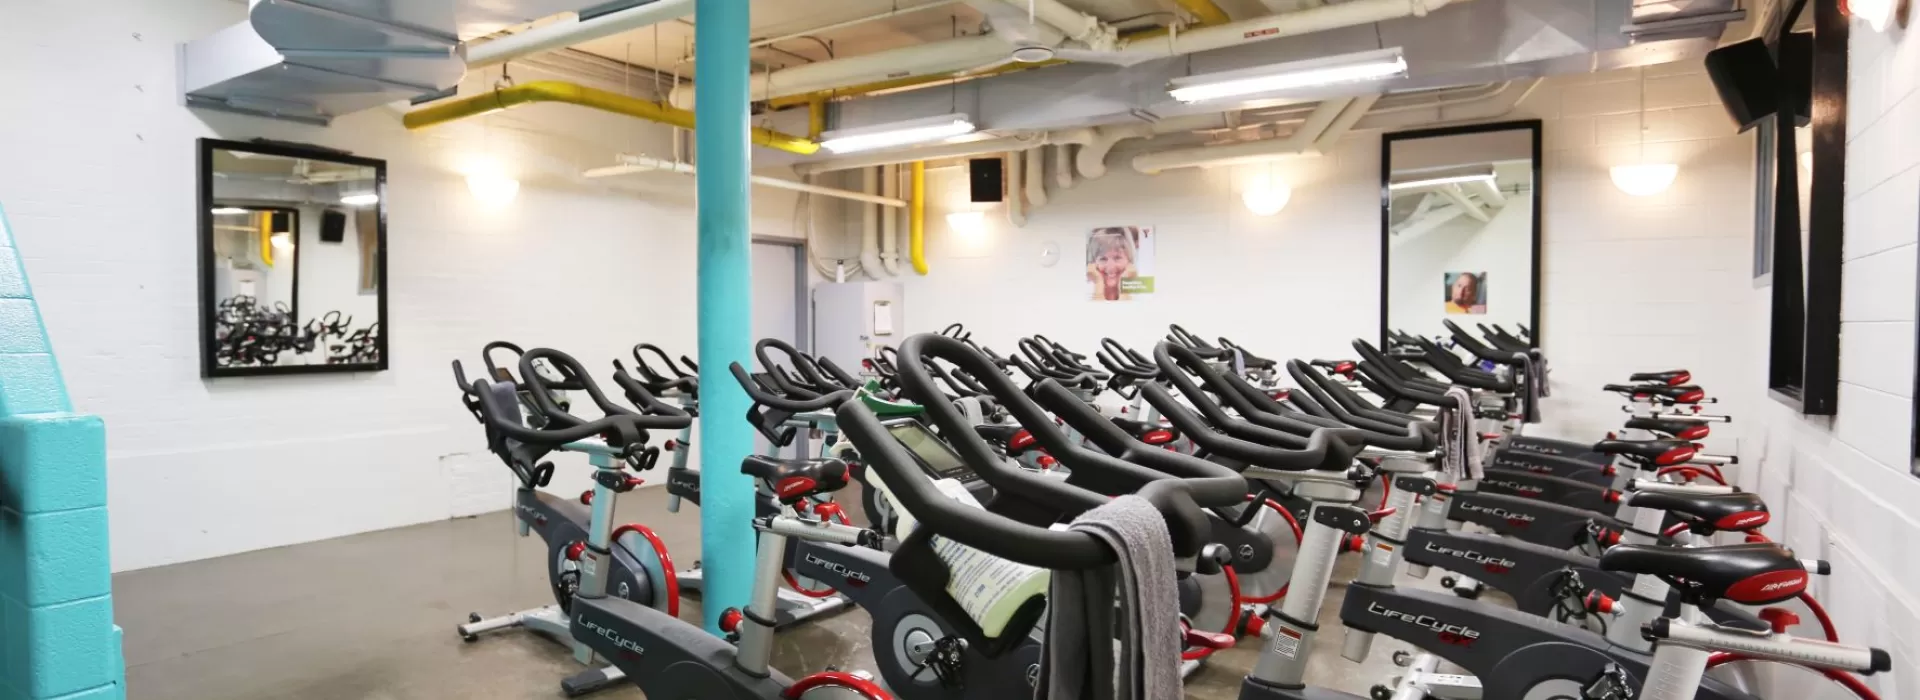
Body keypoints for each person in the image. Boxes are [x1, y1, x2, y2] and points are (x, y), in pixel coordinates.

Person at [1087, 228, 1138, 301]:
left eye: (1117, 258)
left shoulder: (1142, 290)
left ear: (1129, 260)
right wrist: (1098, 285)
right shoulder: (1083, 291)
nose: (1110, 267)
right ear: (1093, 263)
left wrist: (1125, 289)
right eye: (1103, 259)